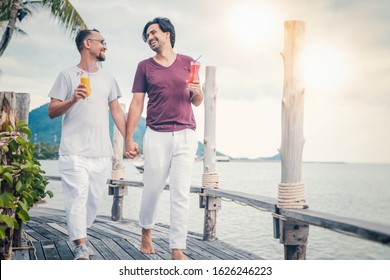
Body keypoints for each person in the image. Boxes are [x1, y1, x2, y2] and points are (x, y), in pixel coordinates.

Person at [125, 17, 204, 260]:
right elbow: (137, 103)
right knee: (152, 189)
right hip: (156, 134)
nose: (150, 38)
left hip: (186, 134)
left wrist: (198, 93)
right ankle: (146, 231)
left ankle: (177, 249)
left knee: (180, 193)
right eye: (147, 35)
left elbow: (196, 100)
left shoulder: (189, 63)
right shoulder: (144, 67)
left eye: (153, 32)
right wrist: (129, 137)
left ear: (167, 34)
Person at [48, 29, 126, 260]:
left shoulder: (109, 78)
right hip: (74, 152)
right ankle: (81, 245)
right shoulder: (67, 75)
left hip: (101, 153)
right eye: (102, 42)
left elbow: (117, 112)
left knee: (92, 203)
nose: (105, 46)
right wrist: (73, 98)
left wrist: (129, 138)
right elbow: (52, 110)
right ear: (87, 43)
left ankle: (78, 229)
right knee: (77, 199)